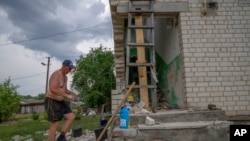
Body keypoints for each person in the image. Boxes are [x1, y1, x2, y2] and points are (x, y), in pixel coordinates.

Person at [44, 59, 76, 141]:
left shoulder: (65, 77)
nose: (70, 70)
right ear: (63, 66)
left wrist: (72, 93)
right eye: (69, 68)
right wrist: (67, 96)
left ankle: (61, 137)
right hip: (52, 101)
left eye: (71, 69)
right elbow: (53, 89)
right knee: (55, 123)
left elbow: (64, 89)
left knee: (71, 117)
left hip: (60, 101)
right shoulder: (56, 75)